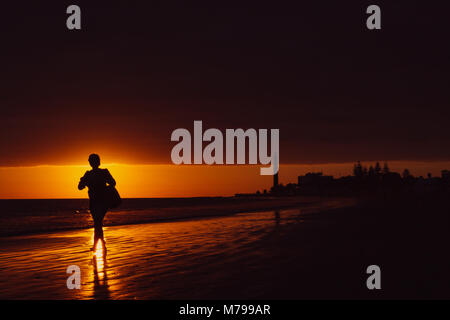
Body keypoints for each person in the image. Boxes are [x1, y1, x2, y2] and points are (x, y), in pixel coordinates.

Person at [78, 154, 116, 255]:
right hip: (101, 201)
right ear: (98, 162)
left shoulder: (89, 174)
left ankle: (97, 245)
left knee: (97, 223)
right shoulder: (103, 172)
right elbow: (113, 183)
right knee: (98, 223)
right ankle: (101, 243)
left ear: (90, 163)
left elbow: (80, 187)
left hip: (97, 201)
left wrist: (84, 181)